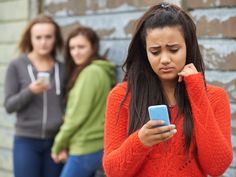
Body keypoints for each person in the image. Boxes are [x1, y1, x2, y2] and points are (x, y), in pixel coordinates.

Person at [103, 2, 233, 177]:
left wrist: (197, 91)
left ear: (188, 47)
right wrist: (140, 141)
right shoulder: (121, 96)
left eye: (173, 49)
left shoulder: (214, 97)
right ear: (145, 52)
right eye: (155, 52)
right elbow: (113, 171)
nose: (164, 59)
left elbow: (216, 167)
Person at [4, 15, 66, 177]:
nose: (43, 42)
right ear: (30, 39)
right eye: (38, 37)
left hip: (55, 141)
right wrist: (30, 91)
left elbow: (68, 105)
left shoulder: (63, 68)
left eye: (48, 37)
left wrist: (65, 142)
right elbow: (9, 105)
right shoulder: (16, 66)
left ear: (55, 39)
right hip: (26, 141)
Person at [51, 26, 116, 177]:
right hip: (94, 145)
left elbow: (76, 116)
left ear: (93, 47)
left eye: (81, 47)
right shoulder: (99, 70)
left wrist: (58, 145)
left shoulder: (91, 73)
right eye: (72, 48)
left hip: (85, 147)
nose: (76, 52)